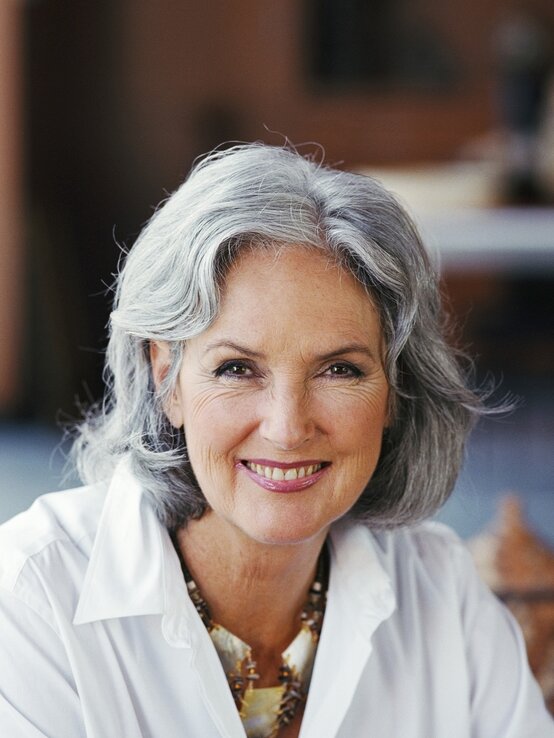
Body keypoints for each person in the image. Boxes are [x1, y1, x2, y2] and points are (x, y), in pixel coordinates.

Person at [0, 143, 552, 738]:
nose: (288, 428)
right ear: (167, 379)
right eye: (237, 368)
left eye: (340, 370)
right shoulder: (30, 599)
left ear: (396, 391)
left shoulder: (446, 592)